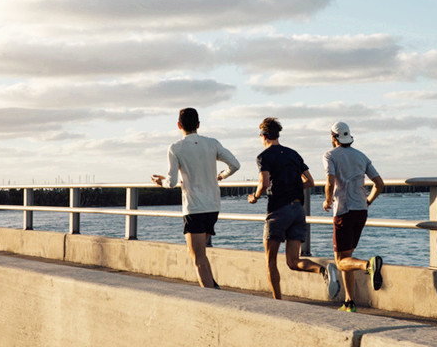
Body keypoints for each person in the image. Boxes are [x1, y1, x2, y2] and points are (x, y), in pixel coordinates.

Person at [248, 117, 340, 300]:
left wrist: (255, 197)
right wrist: (293, 188)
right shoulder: (293, 154)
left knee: (270, 260)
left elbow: (264, 183)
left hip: (278, 211)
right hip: (298, 210)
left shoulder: (263, 157)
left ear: (264, 135)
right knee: (293, 261)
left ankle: (278, 301)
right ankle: (323, 270)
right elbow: (310, 182)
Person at [152, 107, 240, 289]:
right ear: (198, 124)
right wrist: (221, 176)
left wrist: (159, 182)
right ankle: (213, 287)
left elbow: (172, 182)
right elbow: (235, 165)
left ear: (178, 125)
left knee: (197, 258)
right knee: (201, 254)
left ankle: (211, 298)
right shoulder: (212, 143)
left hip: (194, 208)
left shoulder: (176, 148)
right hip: (213, 206)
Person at [322, 121, 385, 312]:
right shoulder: (361, 156)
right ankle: (350, 302)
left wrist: (327, 200)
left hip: (343, 210)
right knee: (346, 257)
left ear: (333, 137)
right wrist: (368, 201)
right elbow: (379, 184)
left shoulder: (330, 155)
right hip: (361, 210)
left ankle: (368, 265)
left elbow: (330, 181)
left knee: (341, 261)